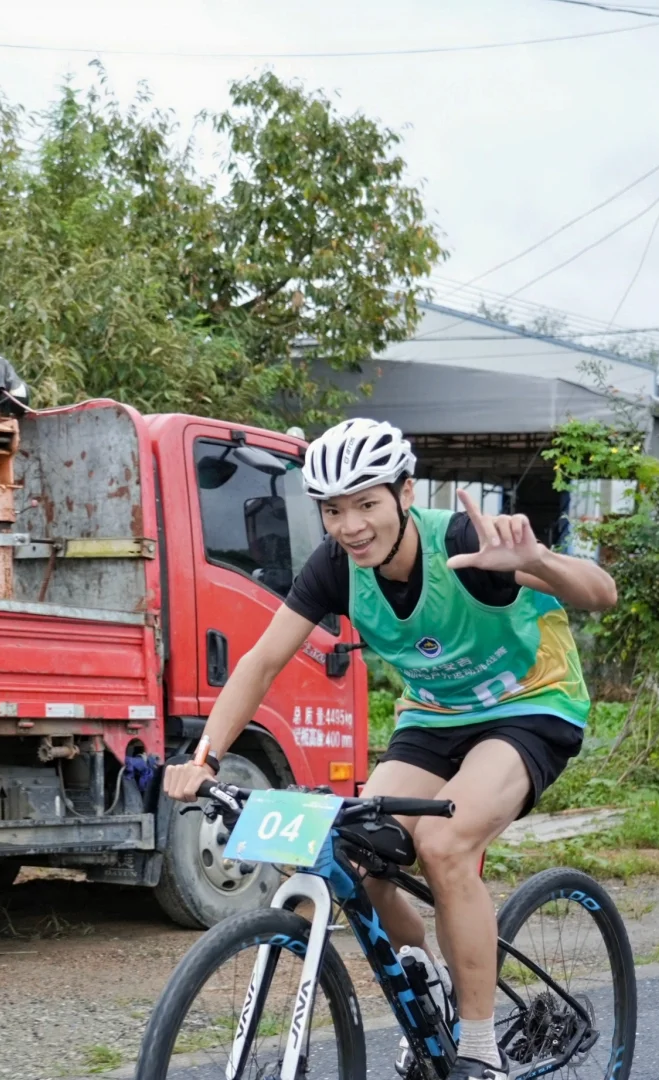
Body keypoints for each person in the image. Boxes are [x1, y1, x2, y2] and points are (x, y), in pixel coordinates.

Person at [163, 418, 617, 1080]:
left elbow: (602, 594)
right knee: (356, 848)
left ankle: (481, 1048)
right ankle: (426, 985)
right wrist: (203, 758)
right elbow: (261, 663)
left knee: (445, 844)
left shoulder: (464, 541)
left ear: (405, 493)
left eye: (367, 503)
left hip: (528, 708)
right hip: (434, 719)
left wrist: (536, 561)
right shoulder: (336, 569)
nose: (351, 525)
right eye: (334, 509)